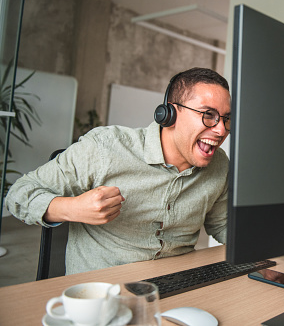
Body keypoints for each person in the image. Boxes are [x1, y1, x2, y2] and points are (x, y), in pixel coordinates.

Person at [5, 67, 231, 274]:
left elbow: (223, 225)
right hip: (104, 292)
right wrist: (72, 208)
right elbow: (18, 195)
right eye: (208, 115)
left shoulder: (219, 164)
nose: (221, 130)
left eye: (226, 118)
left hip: (180, 283)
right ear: (169, 115)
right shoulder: (104, 148)